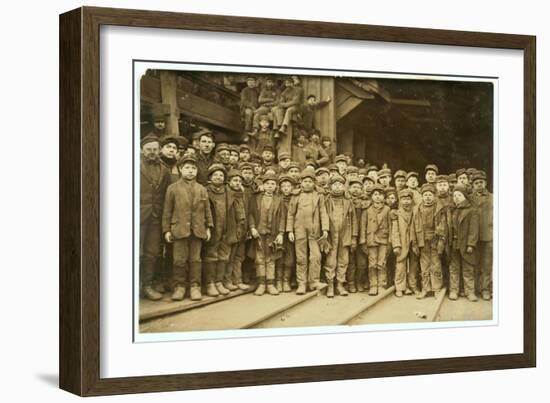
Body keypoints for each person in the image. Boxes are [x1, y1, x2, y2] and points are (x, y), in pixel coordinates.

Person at [162, 155, 213, 301]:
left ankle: (195, 287)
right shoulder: (172, 188)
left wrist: (208, 227)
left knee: (195, 259)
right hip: (179, 229)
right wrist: (166, 230)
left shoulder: (202, 189)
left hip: (197, 230)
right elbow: (167, 211)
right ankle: (180, 287)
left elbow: (207, 210)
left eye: (193, 168)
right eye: (187, 168)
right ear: (180, 169)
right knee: (179, 260)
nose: (190, 171)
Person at [287, 169, 330, 294]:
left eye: (310, 181)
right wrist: (289, 230)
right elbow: (290, 214)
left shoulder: (319, 196)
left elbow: (323, 212)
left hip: (314, 230)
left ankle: (314, 281)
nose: (307, 184)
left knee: (316, 256)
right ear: (301, 183)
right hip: (299, 229)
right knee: (301, 257)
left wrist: (325, 229)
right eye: (305, 181)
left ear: (314, 183)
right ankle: (302, 283)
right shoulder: (296, 196)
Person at [140, 135, 171, 301]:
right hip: (136, 216)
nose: (152, 153)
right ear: (142, 150)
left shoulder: (165, 169)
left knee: (152, 252)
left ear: (159, 150)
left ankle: (148, 285)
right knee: (134, 252)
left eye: (154, 149)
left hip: (155, 216)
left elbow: (166, 194)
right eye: (148, 149)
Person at [248, 173, 285, 296]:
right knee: (259, 259)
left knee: (271, 258)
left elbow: (282, 218)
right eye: (267, 184)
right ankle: (261, 284)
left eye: (272, 184)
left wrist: (280, 233)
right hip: (259, 233)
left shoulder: (279, 200)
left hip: (272, 234)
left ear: (276, 186)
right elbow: (251, 214)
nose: (270, 186)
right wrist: (252, 228)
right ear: (263, 185)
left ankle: (270, 284)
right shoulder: (256, 198)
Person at [323, 175, 358, 297]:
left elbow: (354, 221)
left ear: (344, 187)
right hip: (331, 235)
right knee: (331, 260)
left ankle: (340, 284)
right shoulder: (326, 201)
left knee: (344, 260)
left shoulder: (348, 202)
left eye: (340, 185)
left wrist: (353, 237)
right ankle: (330, 285)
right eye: (335, 185)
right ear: (330, 186)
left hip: (345, 235)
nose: (337, 187)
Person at [202, 164, 233, 297]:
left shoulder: (229, 192)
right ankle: (210, 283)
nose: (218, 177)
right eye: (215, 175)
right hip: (213, 228)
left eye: (221, 175)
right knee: (211, 256)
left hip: (226, 228)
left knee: (224, 256)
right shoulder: (205, 191)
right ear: (210, 177)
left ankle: (219, 282)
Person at [413, 183, 446, 299]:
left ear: (434, 196)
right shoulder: (417, 209)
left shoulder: (439, 208)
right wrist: (415, 242)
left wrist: (440, 240)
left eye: (430, 195)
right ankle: (425, 289)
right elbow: (414, 226)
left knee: (436, 264)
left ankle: (436, 288)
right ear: (422, 196)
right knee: (424, 265)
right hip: (422, 240)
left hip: (435, 240)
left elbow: (442, 225)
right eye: (425, 195)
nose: (427, 197)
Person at [448, 184, 480, 301]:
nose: (456, 197)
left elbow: (474, 230)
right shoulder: (452, 210)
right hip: (454, 244)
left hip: (466, 245)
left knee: (468, 268)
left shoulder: (472, 211)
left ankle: (469, 292)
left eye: (459, 195)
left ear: (465, 196)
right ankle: (454, 290)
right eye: (454, 195)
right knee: (454, 268)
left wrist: (471, 244)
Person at [360, 184, 391, 296]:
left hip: (383, 239)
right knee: (372, 264)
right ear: (372, 196)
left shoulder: (387, 209)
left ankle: (381, 285)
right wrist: (363, 241)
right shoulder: (367, 211)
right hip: (371, 239)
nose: (378, 197)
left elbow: (391, 226)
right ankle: (373, 285)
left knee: (382, 263)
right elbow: (363, 227)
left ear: (384, 197)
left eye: (380, 194)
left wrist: (390, 241)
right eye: (375, 194)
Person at [390, 189, 420, 297]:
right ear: (399, 200)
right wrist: (396, 245)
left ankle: (413, 286)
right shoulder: (396, 213)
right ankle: (400, 287)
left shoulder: (416, 211)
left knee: (413, 266)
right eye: (404, 199)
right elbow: (395, 231)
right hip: (402, 243)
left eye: (408, 199)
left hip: (413, 242)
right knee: (400, 265)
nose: (406, 202)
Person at [225, 169, 250, 291]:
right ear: (229, 181)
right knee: (229, 256)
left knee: (239, 256)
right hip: (231, 229)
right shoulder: (227, 194)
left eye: (239, 181)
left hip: (242, 229)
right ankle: (227, 280)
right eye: (234, 180)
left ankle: (237, 280)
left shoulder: (243, 195)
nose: (237, 183)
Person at [471, 170, 493, 300]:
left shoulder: (492, 197)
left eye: (481, 182)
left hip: (488, 235)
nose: (479, 184)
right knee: (473, 263)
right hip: (473, 237)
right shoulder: (469, 198)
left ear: (485, 183)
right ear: (473, 185)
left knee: (486, 264)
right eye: (476, 183)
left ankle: (485, 289)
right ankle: (473, 289)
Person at [347, 178, 370, 292]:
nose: (356, 190)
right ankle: (351, 283)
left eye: (358, 187)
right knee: (350, 262)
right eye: (353, 187)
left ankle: (360, 281)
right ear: (349, 188)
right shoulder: (346, 201)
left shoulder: (365, 203)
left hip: (361, 235)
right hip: (347, 235)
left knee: (362, 263)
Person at [276, 174, 297, 292]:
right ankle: (278, 281)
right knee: (279, 256)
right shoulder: (276, 199)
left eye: (288, 186)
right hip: (278, 232)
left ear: (292, 187)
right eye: (283, 186)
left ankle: (286, 280)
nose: (285, 188)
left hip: (292, 233)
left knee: (290, 257)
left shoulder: (295, 199)